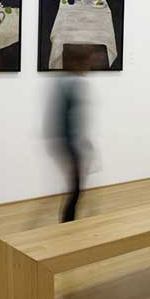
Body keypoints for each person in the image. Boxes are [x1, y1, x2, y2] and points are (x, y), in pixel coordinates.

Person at [52, 45, 96, 223]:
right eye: (88, 61)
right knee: (76, 189)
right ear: (79, 62)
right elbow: (74, 119)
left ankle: (67, 224)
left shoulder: (62, 80)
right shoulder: (76, 82)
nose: (90, 66)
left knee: (75, 188)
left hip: (64, 140)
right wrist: (80, 145)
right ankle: (67, 226)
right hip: (70, 142)